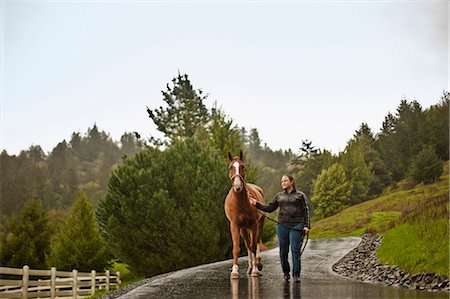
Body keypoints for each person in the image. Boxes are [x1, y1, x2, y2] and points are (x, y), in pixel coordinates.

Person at [249, 175, 310, 283]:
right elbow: (269, 208)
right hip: (282, 226)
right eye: (282, 181)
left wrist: (306, 225)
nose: (283, 183)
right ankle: (286, 273)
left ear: (291, 181)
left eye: (285, 180)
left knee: (295, 251)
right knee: (283, 252)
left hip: (297, 225)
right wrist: (256, 204)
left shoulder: (300, 195)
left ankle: (296, 275)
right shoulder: (279, 196)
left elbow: (305, 211)